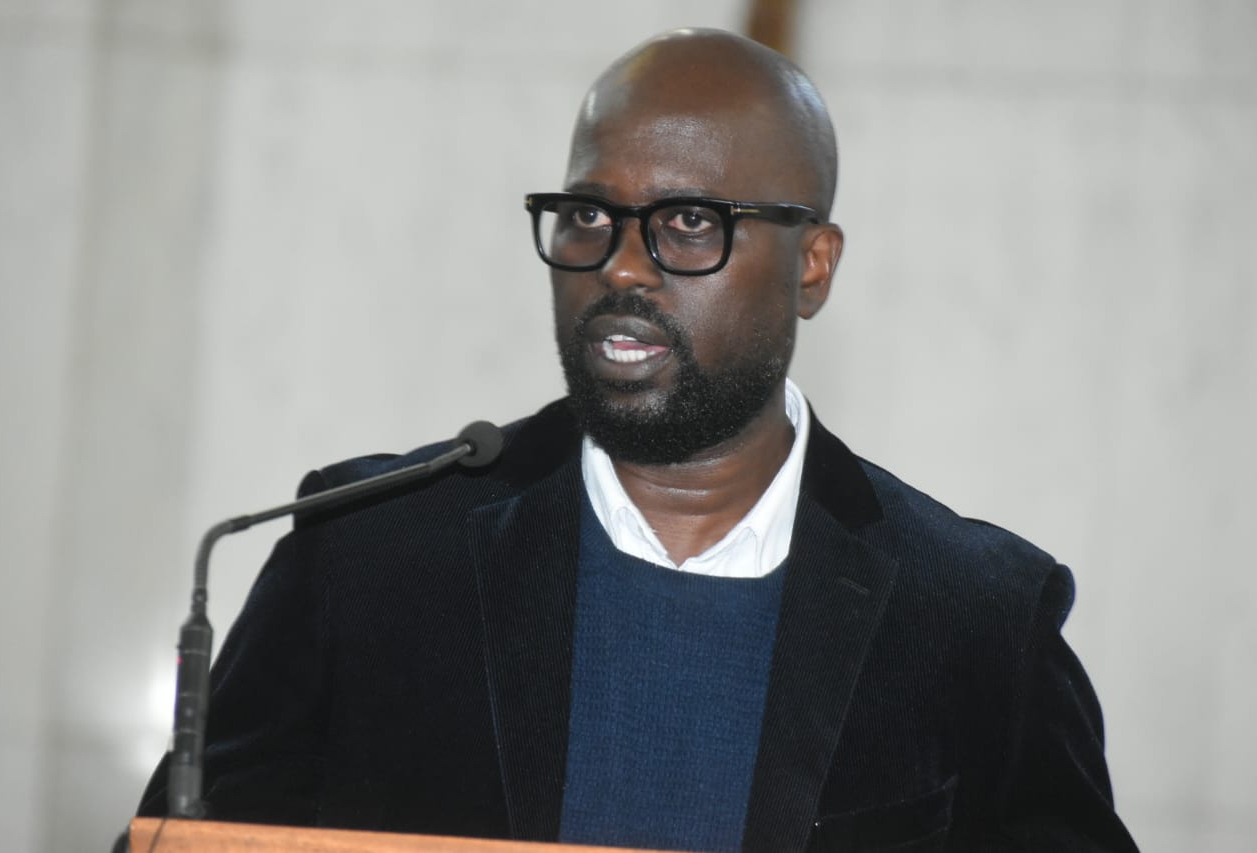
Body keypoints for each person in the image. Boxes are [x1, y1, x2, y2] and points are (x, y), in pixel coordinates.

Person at [138, 28, 1138, 853]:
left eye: (688, 223)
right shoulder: (366, 557)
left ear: (812, 267)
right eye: (587, 215)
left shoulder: (974, 618)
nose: (620, 267)